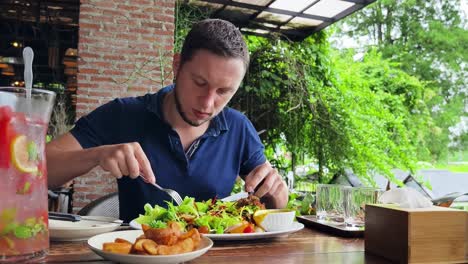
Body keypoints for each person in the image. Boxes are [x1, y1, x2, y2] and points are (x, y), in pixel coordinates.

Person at [46, 19, 288, 223]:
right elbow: (40, 169)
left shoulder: (238, 128)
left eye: (223, 91)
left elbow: (270, 202)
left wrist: (277, 194)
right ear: (176, 65)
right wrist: (96, 155)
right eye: (199, 83)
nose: (207, 104)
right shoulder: (123, 114)